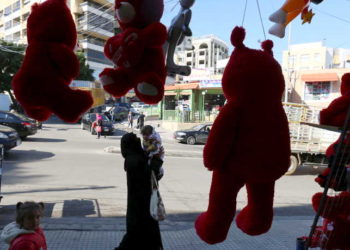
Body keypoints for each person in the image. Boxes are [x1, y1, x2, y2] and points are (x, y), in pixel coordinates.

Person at [116, 133, 163, 250]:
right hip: (141, 207)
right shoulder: (134, 160)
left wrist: (154, 156)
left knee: (138, 236)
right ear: (133, 144)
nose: (139, 141)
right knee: (135, 237)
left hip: (141, 206)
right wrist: (157, 160)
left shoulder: (136, 157)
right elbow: (147, 177)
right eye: (136, 140)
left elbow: (151, 175)